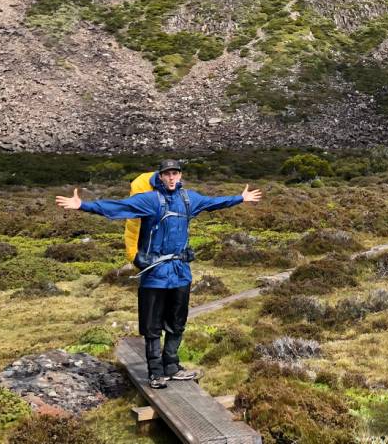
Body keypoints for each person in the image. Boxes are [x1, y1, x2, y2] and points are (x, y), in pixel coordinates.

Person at [56, 159, 262, 388]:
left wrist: (240, 198)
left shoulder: (189, 199)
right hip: (154, 273)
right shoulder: (150, 200)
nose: (172, 178)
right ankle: (155, 372)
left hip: (180, 272)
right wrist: (83, 205)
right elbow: (118, 207)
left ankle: (172, 366)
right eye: (168, 174)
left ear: (180, 176)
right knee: (152, 325)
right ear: (160, 177)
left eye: (175, 173)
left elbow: (213, 203)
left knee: (177, 321)